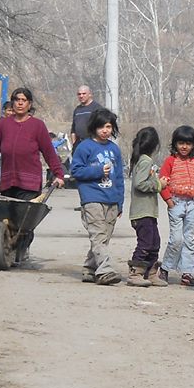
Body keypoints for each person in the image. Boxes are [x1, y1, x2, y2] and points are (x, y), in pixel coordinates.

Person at [0, 88, 65, 260]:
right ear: (12, 102)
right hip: (8, 179)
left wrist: (58, 174)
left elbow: (49, 151)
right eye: (17, 99)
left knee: (24, 221)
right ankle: (6, 245)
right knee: (9, 217)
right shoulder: (4, 124)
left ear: (29, 104)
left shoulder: (37, 126)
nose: (20, 103)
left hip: (29, 181)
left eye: (24, 100)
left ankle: (22, 247)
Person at [70, 108, 125, 286]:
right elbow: (76, 171)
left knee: (103, 238)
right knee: (98, 235)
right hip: (92, 197)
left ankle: (89, 268)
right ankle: (105, 270)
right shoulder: (84, 147)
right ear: (94, 127)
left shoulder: (114, 149)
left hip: (112, 199)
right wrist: (98, 170)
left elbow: (119, 178)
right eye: (101, 126)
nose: (105, 130)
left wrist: (120, 201)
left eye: (108, 126)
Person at [158, 125, 194, 287]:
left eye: (188, 143)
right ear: (175, 144)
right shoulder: (170, 161)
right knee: (176, 239)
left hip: (192, 204)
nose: (184, 147)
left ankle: (188, 273)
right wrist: (169, 201)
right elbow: (162, 183)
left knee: (190, 240)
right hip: (176, 203)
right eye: (180, 143)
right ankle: (165, 267)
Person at [127, 126, 168, 288]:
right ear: (155, 145)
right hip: (142, 212)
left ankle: (150, 272)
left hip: (148, 212)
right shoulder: (146, 161)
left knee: (154, 242)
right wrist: (159, 184)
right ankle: (135, 272)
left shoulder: (140, 160)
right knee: (145, 243)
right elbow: (140, 184)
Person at [70, 84, 102, 150]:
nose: (81, 96)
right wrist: (74, 144)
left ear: (90, 94)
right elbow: (73, 130)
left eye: (84, 94)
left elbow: (101, 127)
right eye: (79, 94)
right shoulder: (77, 110)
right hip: (79, 144)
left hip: (93, 144)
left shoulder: (97, 108)